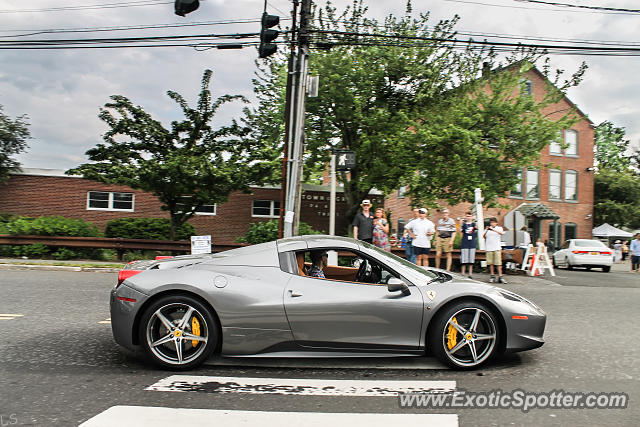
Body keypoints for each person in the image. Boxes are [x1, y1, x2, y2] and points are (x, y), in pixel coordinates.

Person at [483, 217, 506, 283]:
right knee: (491, 263)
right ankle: (492, 275)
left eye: (493, 222)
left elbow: (501, 233)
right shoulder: (487, 229)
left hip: (497, 247)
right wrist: (487, 230)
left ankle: (500, 276)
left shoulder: (499, 228)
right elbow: (484, 236)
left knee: (498, 263)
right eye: (491, 222)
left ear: (496, 223)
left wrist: (493, 230)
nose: (492, 223)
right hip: (489, 248)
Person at [459, 211, 477, 279]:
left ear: (471, 216)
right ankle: (463, 273)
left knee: (471, 259)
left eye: (469, 216)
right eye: (467, 216)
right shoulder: (464, 224)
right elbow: (460, 230)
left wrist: (475, 220)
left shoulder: (473, 224)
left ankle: (470, 273)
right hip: (465, 242)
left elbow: (478, 227)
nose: (468, 217)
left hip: (472, 243)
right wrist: (460, 223)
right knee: (464, 259)